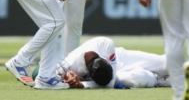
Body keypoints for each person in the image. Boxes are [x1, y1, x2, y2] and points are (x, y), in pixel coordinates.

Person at [33, 36, 171, 89]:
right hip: (114, 76)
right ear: (89, 74)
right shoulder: (69, 65)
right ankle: (158, 80)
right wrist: (65, 80)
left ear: (105, 60)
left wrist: (82, 84)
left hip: (121, 58)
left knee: (167, 63)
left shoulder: (105, 44)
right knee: (140, 78)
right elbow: (41, 75)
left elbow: (109, 84)